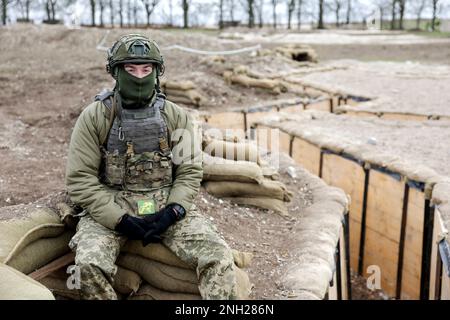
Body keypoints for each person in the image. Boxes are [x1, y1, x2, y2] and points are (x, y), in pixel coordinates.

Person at [65, 34, 238, 300]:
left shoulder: (175, 115)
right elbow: (80, 179)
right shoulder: (95, 116)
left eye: (146, 69)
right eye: (130, 69)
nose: (139, 76)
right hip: (113, 204)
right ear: (115, 71)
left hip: (165, 201)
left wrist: (174, 210)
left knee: (220, 257)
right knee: (87, 266)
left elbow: (190, 171)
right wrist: (119, 220)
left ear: (158, 72)